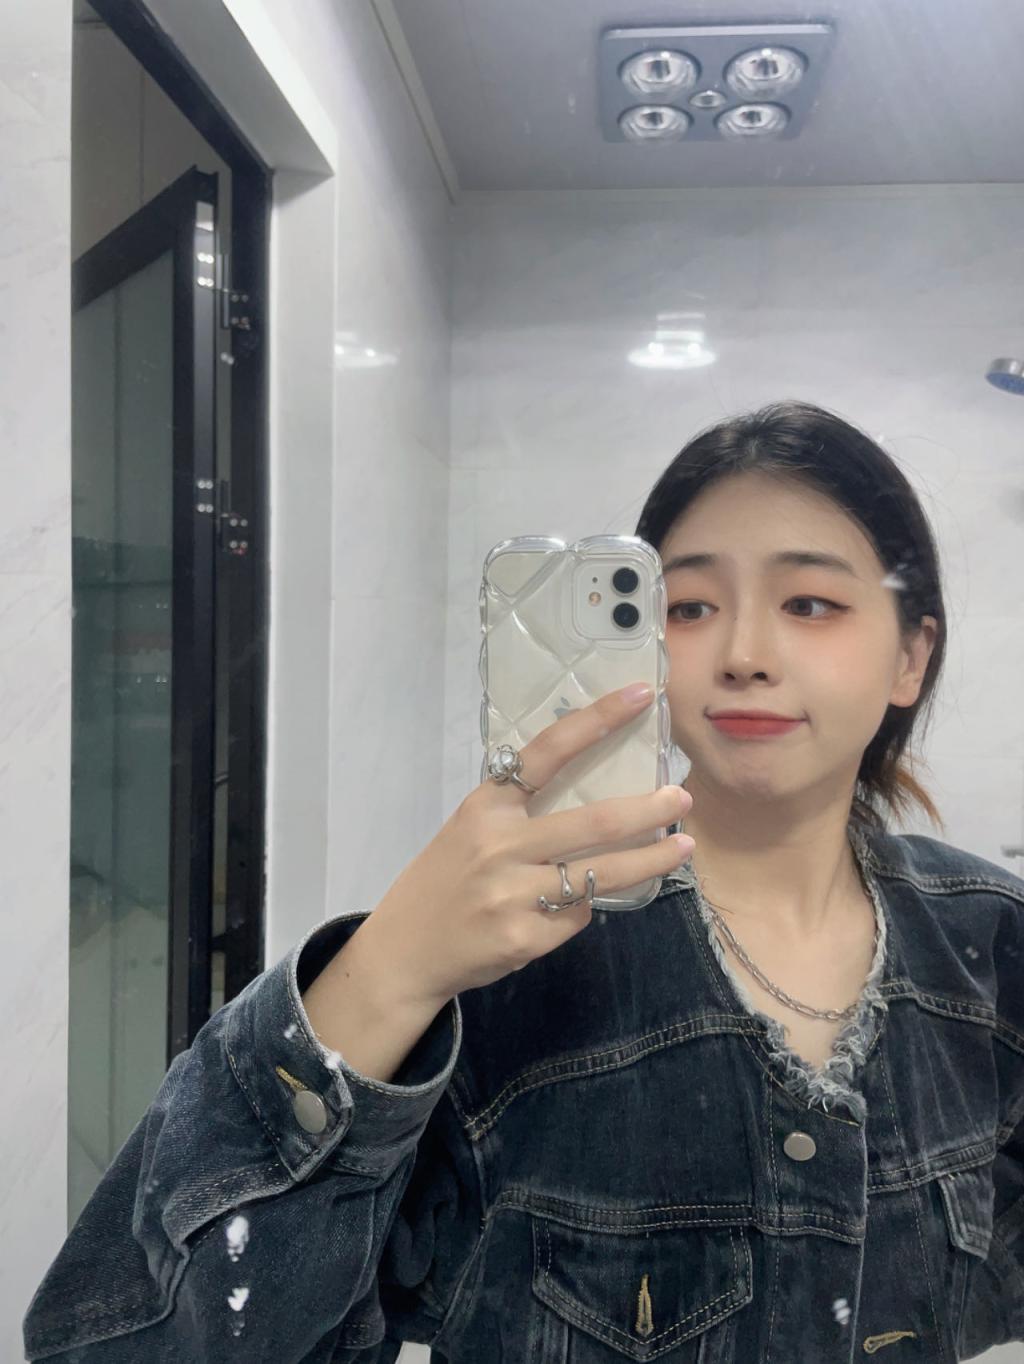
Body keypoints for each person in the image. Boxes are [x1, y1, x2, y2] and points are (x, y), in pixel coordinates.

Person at [24, 400, 1024, 1361]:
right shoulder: (511, 958)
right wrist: (390, 971)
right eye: (687, 606)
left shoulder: (992, 939)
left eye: (810, 603)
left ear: (911, 655)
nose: (746, 655)